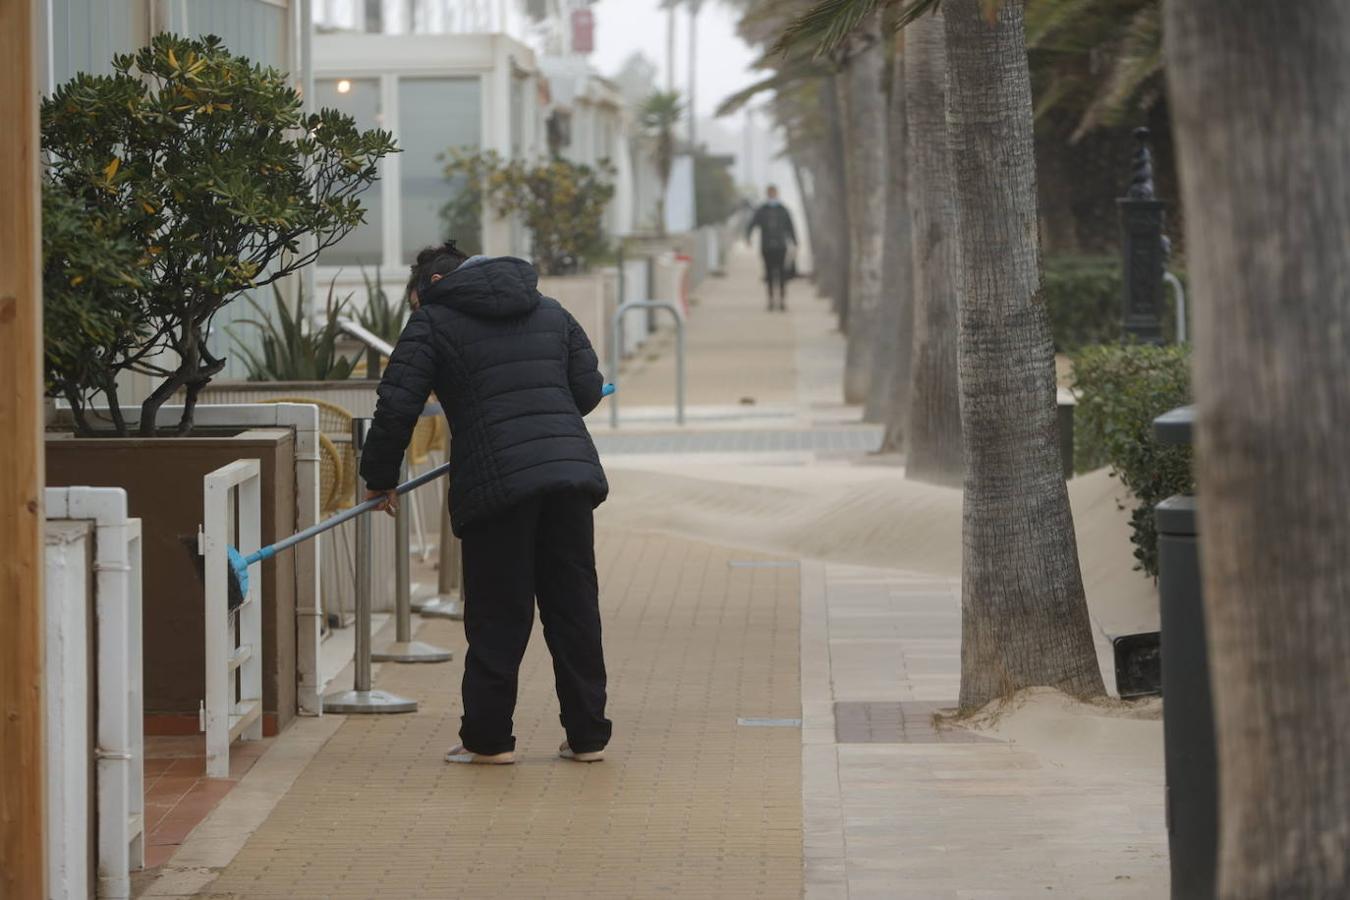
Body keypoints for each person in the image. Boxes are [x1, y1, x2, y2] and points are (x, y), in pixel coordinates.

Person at [360, 241, 612, 766]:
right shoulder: (549, 309)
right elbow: (586, 390)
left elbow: (397, 403)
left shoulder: (433, 322)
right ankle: (587, 736)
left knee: (499, 613)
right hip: (568, 477)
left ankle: (489, 739)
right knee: (574, 608)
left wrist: (379, 477)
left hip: (496, 487)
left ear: (427, 287)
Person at [745, 185, 798, 312]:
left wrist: (795, 242)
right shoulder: (761, 210)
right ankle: (770, 301)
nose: (772, 195)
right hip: (766, 246)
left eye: (774, 193)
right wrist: (748, 237)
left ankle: (782, 301)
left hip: (781, 246)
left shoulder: (783, 210)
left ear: (777, 194)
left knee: (781, 274)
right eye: (770, 193)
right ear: (767, 194)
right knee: (768, 274)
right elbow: (752, 224)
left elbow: (791, 227)